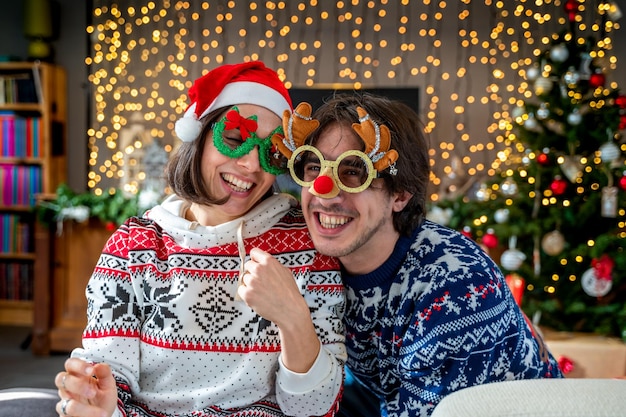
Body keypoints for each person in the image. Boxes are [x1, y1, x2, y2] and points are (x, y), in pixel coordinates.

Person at [54, 61, 346, 417]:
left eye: (271, 153)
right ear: (199, 136)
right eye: (237, 139)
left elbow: (316, 409)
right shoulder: (134, 245)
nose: (252, 165)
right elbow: (109, 382)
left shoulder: (307, 245)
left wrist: (294, 318)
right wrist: (97, 405)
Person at [276, 93, 563, 417]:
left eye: (355, 172)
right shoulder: (318, 257)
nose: (324, 191)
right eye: (314, 166)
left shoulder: (455, 287)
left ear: (401, 194)